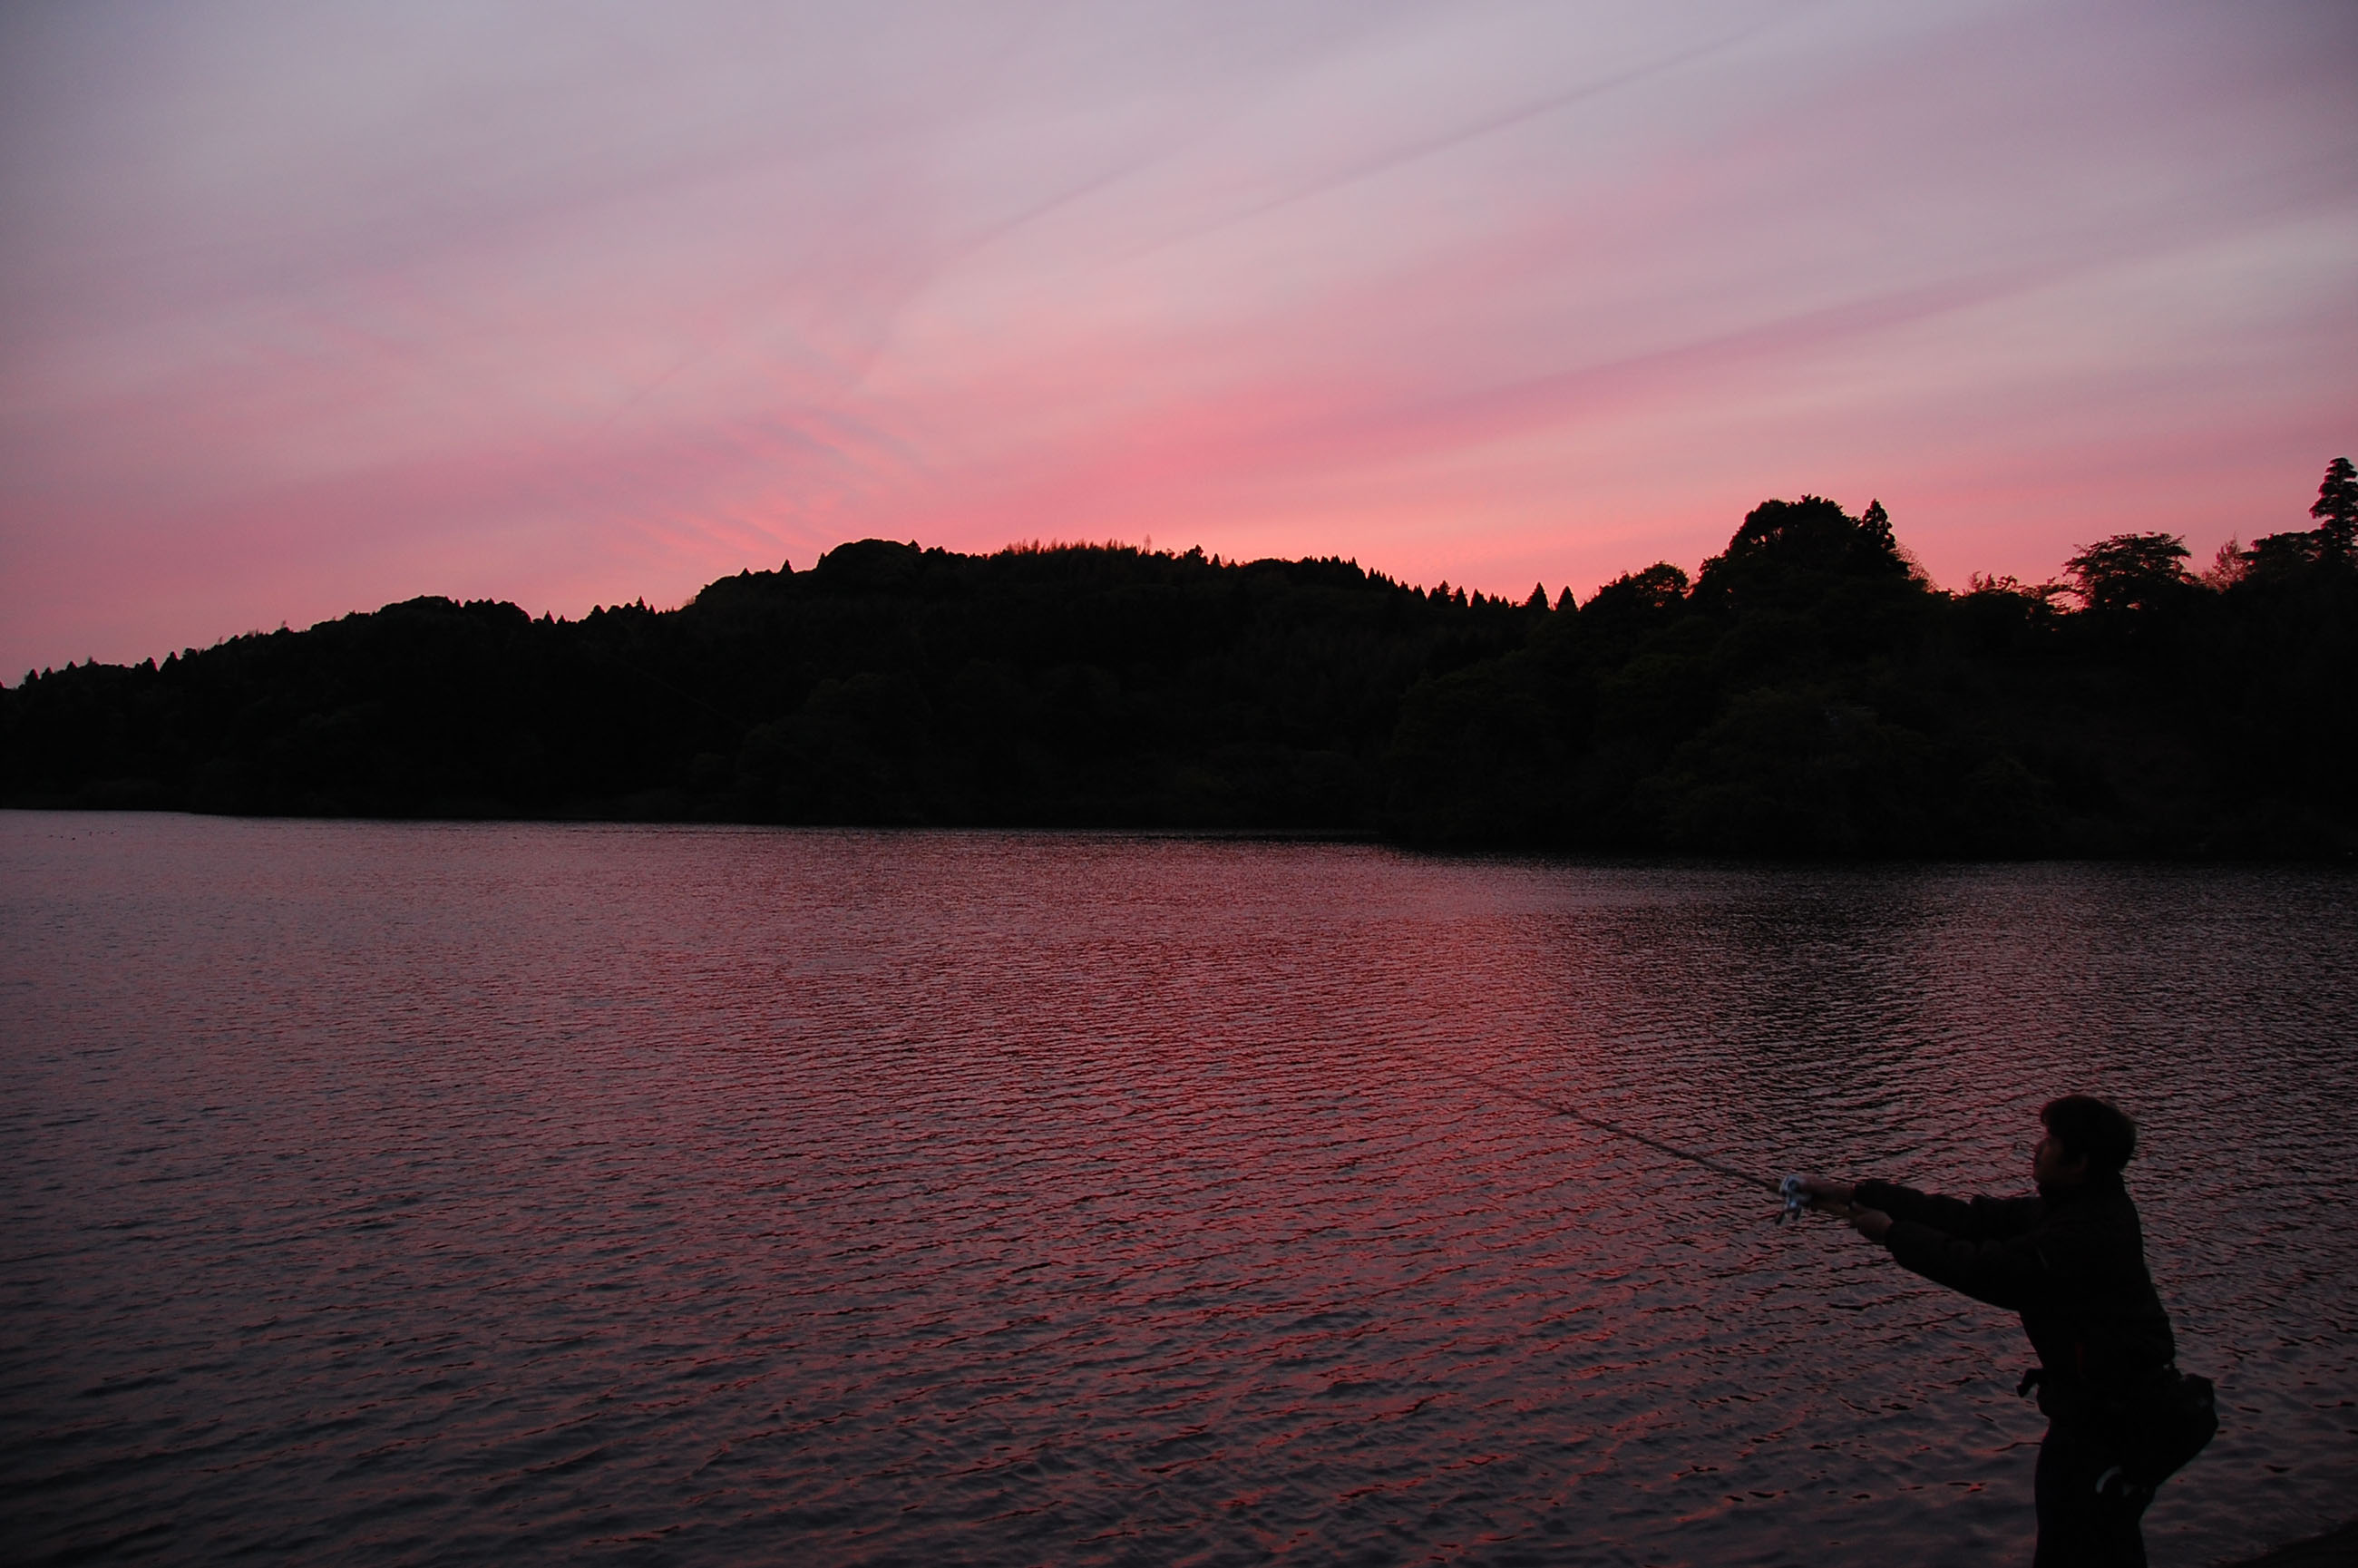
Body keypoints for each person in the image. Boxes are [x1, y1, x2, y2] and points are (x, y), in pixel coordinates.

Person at [1794, 1095, 2178, 1567]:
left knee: (2081, 1541)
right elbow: (1970, 1221)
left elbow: (1989, 1272)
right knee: (2101, 1540)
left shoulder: (2087, 1232)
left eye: (2050, 1142)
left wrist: (1893, 1234)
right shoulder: (2071, 1207)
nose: (2037, 1149)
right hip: (2094, 1411)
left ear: (2080, 1163)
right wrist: (1852, 1193)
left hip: (2114, 1420)